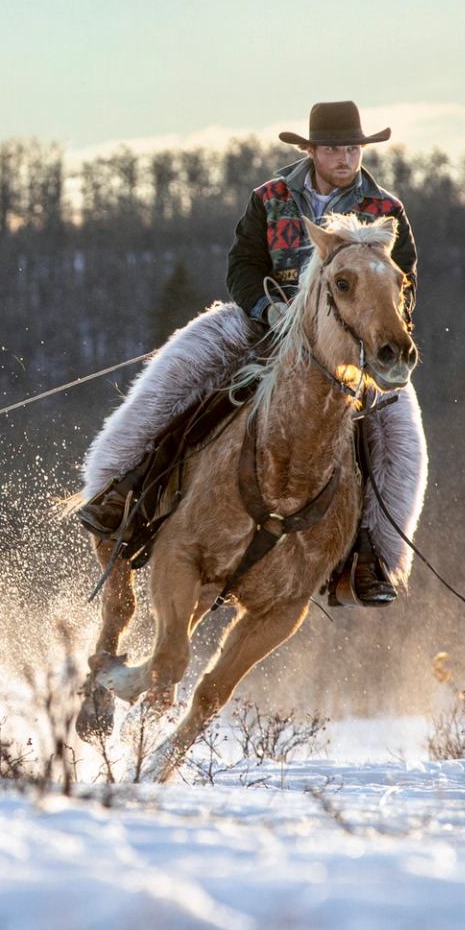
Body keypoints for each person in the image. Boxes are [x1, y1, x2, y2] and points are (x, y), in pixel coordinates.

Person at [78, 101, 428, 605]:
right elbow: (243, 264)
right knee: (174, 377)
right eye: (333, 148)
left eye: (353, 148)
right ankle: (121, 489)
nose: (345, 158)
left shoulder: (387, 210)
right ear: (311, 151)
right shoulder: (270, 198)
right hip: (265, 323)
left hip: (353, 340)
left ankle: (375, 557)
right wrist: (265, 309)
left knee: (401, 441)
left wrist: (379, 333)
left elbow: (404, 283)